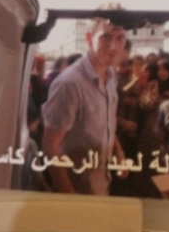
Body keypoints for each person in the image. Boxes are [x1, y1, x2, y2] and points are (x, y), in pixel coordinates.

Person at [41, 12, 128, 195]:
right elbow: (50, 147)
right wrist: (71, 198)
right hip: (77, 189)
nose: (114, 46)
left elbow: (108, 123)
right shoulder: (70, 84)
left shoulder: (111, 77)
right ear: (89, 38)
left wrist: (119, 154)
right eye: (106, 37)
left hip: (102, 182)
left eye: (120, 38)